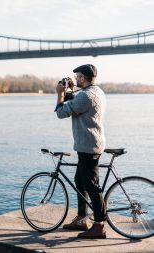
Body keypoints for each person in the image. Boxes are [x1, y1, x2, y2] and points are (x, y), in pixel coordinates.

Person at [55, 64, 107, 239]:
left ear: (83, 78)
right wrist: (69, 91)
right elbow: (77, 101)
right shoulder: (96, 91)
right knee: (80, 181)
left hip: (88, 146)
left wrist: (59, 94)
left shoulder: (85, 96)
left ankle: (99, 226)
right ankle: (82, 219)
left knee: (92, 186)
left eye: (77, 76)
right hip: (90, 144)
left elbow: (61, 113)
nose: (76, 79)